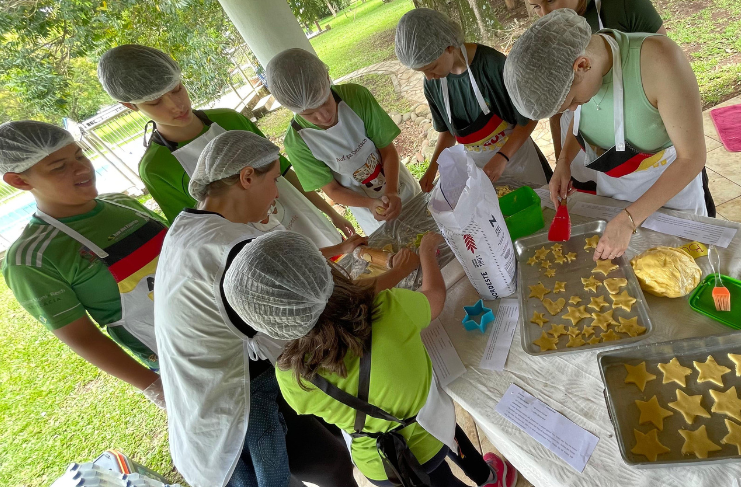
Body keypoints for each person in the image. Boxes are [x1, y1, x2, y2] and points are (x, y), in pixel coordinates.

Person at [155, 129, 420, 487]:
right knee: (331, 465)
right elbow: (328, 305)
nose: (277, 193)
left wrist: (340, 249)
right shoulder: (230, 251)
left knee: (330, 454)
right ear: (247, 177)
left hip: (207, 397)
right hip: (235, 408)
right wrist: (398, 272)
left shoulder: (191, 225)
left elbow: (277, 265)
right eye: (274, 180)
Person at [222, 230, 518, 487]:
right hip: (430, 431)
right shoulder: (388, 308)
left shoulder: (291, 378)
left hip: (381, 463)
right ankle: (488, 477)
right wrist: (427, 252)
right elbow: (435, 297)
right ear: (322, 268)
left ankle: (484, 477)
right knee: (447, 458)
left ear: (268, 323)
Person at [504, 9, 713, 262]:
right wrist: (564, 161)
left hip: (671, 197)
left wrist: (629, 219)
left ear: (582, 65)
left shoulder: (660, 61)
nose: (573, 110)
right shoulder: (581, 78)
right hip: (613, 197)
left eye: (572, 101)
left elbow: (692, 157)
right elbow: (582, 120)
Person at [97, 44, 353, 248]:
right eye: (155, 102)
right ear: (130, 106)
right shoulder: (156, 167)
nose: (176, 105)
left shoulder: (229, 119)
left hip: (302, 217)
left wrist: (330, 213)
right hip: (258, 249)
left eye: (177, 89)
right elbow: (197, 232)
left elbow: (283, 171)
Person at [1, 121, 165, 408]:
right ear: (20, 181)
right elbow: (82, 338)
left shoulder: (123, 203)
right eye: (59, 167)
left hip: (232, 321)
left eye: (79, 155)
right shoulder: (32, 259)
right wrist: (155, 387)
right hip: (181, 359)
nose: (82, 169)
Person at [514, 0, 667, 190]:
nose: (545, 14)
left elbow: (667, 66)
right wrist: (562, 161)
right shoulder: (550, 37)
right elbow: (562, 108)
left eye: (551, 0)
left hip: (652, 140)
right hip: (590, 142)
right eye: (536, 7)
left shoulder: (627, 7)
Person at [394, 8, 552, 193]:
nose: (428, 77)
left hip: (519, 162)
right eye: (422, 72)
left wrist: (502, 157)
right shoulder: (433, 84)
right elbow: (448, 132)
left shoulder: (493, 65)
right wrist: (432, 169)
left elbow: (529, 119)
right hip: (482, 174)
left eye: (432, 67)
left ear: (449, 46)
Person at [266, 48, 420, 236]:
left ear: (327, 79)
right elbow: (332, 189)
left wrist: (392, 191)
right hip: (369, 211)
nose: (324, 116)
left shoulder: (356, 96)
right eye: (310, 114)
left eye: (325, 102)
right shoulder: (297, 142)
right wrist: (370, 203)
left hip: (400, 187)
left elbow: (386, 150)